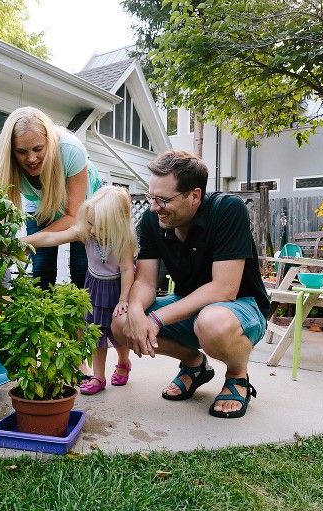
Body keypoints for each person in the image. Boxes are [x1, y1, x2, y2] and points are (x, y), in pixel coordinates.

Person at [111, 150, 269, 418]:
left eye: (162, 199)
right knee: (121, 322)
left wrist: (157, 320)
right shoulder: (153, 219)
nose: (153, 207)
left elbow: (224, 289)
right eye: (151, 197)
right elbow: (146, 281)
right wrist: (136, 310)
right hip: (189, 306)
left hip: (240, 307)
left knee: (212, 322)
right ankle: (195, 364)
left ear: (195, 196)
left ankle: (236, 375)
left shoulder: (228, 210)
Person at [21, 186, 137, 395]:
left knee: (118, 334)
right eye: (89, 222)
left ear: (116, 224)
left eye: (97, 225)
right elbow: (51, 238)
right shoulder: (87, 233)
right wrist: (20, 243)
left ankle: (123, 361)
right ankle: (99, 376)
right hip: (94, 289)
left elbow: (128, 269)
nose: (91, 229)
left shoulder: (123, 241)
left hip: (116, 290)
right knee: (95, 335)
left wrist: (124, 299)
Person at [0, 107, 101, 289]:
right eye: (22, 151)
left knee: (81, 268)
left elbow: (73, 216)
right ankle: (41, 314)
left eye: (38, 149)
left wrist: (27, 242)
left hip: (84, 207)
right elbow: (0, 218)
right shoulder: (8, 166)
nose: (31, 158)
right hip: (41, 205)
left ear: (49, 142)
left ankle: (85, 317)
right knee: (42, 268)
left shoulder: (70, 151)